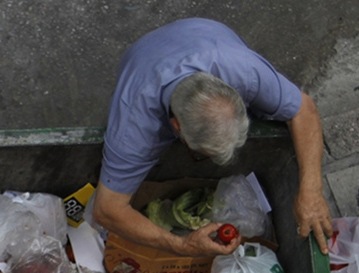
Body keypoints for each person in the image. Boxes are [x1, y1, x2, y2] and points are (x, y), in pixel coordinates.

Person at [91, 18, 333, 256]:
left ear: (234, 94)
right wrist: (181, 245)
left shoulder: (244, 70)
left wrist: (311, 190)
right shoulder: (134, 125)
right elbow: (106, 209)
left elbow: (304, 109)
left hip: (203, 32)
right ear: (177, 127)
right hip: (141, 59)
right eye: (203, 153)